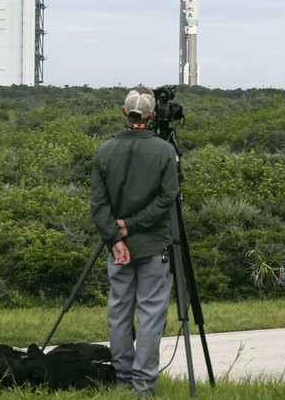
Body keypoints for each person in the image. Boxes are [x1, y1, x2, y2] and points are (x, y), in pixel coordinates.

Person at [90, 87, 179, 396]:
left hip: (118, 251)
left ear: (123, 112)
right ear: (153, 116)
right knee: (152, 315)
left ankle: (123, 379)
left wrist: (116, 238)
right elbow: (168, 197)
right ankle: (143, 386)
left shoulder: (104, 151)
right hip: (153, 246)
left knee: (119, 311)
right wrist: (132, 225)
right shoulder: (165, 151)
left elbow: (98, 206)